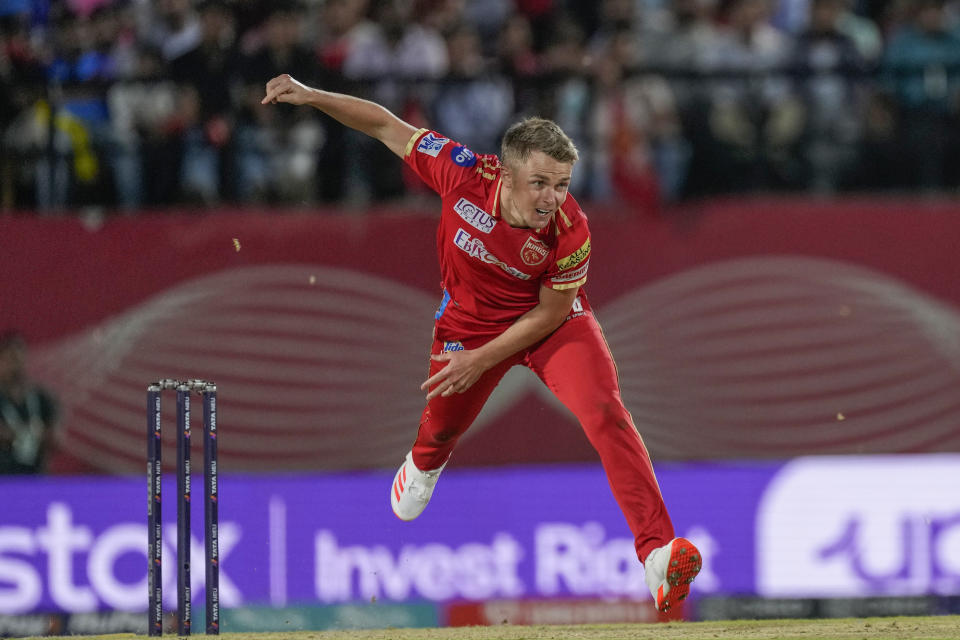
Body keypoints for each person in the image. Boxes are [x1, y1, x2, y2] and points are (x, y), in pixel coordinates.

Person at [261, 74, 702, 611]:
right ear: (506, 172)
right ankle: (423, 463)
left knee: (605, 411)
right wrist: (311, 95)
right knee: (441, 428)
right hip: (466, 326)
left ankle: (657, 553)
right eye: (540, 183)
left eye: (562, 183)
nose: (552, 198)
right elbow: (383, 124)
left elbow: (553, 311)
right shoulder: (460, 170)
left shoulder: (571, 229)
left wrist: (484, 360)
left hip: (549, 324)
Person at [0, 332, 60, 474]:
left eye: (19, 360)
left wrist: (24, 434)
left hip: (34, 478)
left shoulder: (42, 398)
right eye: (9, 360)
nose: (15, 366)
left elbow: (56, 439)